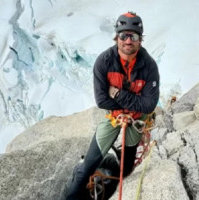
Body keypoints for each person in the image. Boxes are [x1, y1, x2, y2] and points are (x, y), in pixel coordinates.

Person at [66, 11, 160, 200]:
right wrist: (132, 104)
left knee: (126, 171)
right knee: (86, 169)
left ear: (140, 40)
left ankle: (115, 162)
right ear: (116, 37)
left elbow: (149, 105)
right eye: (124, 35)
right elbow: (102, 100)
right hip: (113, 117)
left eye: (133, 36)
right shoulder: (104, 62)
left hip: (135, 121)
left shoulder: (149, 65)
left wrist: (117, 93)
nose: (128, 41)